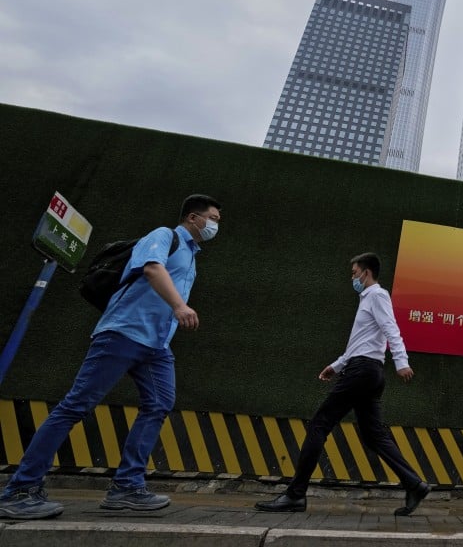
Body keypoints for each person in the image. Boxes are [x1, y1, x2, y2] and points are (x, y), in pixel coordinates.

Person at [0, 194, 222, 520]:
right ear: (193, 217)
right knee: (76, 405)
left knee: (159, 403)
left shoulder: (192, 256)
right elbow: (151, 268)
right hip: (122, 334)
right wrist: (179, 306)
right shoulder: (165, 236)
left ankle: (126, 488)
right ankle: (20, 489)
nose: (216, 225)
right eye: (213, 218)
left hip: (156, 347)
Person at [255, 252, 429, 516]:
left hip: (363, 371)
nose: (353, 278)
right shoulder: (366, 300)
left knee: (319, 425)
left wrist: (401, 361)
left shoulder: (377, 296)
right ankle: (414, 484)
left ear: (366, 273)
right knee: (374, 434)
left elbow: (391, 329)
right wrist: (336, 366)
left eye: (354, 273)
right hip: (366, 370)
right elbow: (360, 342)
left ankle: (295, 495)